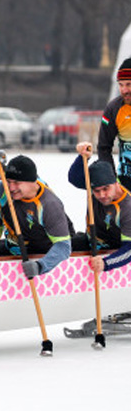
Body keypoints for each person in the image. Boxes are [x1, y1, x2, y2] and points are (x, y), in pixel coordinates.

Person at [0, 153, 72, 278]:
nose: (11, 188)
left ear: (33, 181)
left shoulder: (50, 204)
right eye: (8, 181)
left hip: (42, 253)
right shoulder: (6, 192)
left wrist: (40, 266)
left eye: (17, 183)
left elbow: (63, 247)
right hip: (15, 247)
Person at [69, 142, 131, 273]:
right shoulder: (95, 188)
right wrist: (83, 158)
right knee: (59, 246)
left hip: (115, 252)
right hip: (91, 242)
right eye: (96, 191)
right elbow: (74, 178)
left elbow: (129, 249)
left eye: (106, 189)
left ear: (116, 183)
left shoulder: (128, 207)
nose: (102, 195)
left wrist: (105, 263)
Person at [98, 57, 131, 190]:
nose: (124, 90)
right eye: (121, 84)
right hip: (126, 182)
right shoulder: (113, 109)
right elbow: (103, 147)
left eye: (129, 84)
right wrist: (110, 178)